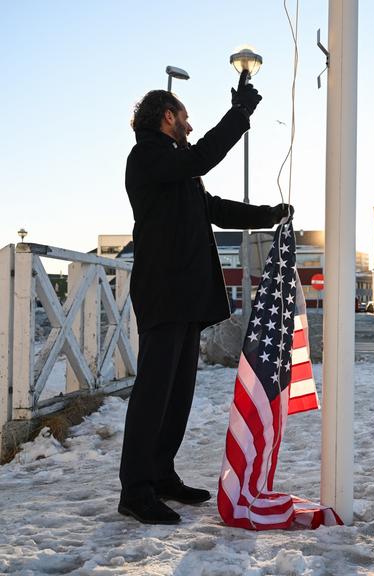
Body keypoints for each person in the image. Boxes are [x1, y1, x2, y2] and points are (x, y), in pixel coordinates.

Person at [119, 71, 292, 525]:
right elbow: (201, 158)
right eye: (186, 119)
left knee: (178, 395)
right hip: (163, 295)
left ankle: (160, 475)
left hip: (186, 299)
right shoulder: (147, 158)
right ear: (168, 117)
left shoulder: (177, 170)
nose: (190, 127)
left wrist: (269, 215)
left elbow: (214, 208)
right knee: (153, 395)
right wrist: (238, 115)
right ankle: (135, 490)